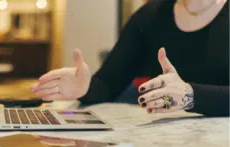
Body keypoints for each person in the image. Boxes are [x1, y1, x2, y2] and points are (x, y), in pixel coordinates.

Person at [31, 0, 229, 117]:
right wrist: (85, 88)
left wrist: (190, 95)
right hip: (168, 143)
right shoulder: (151, 16)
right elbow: (107, 85)